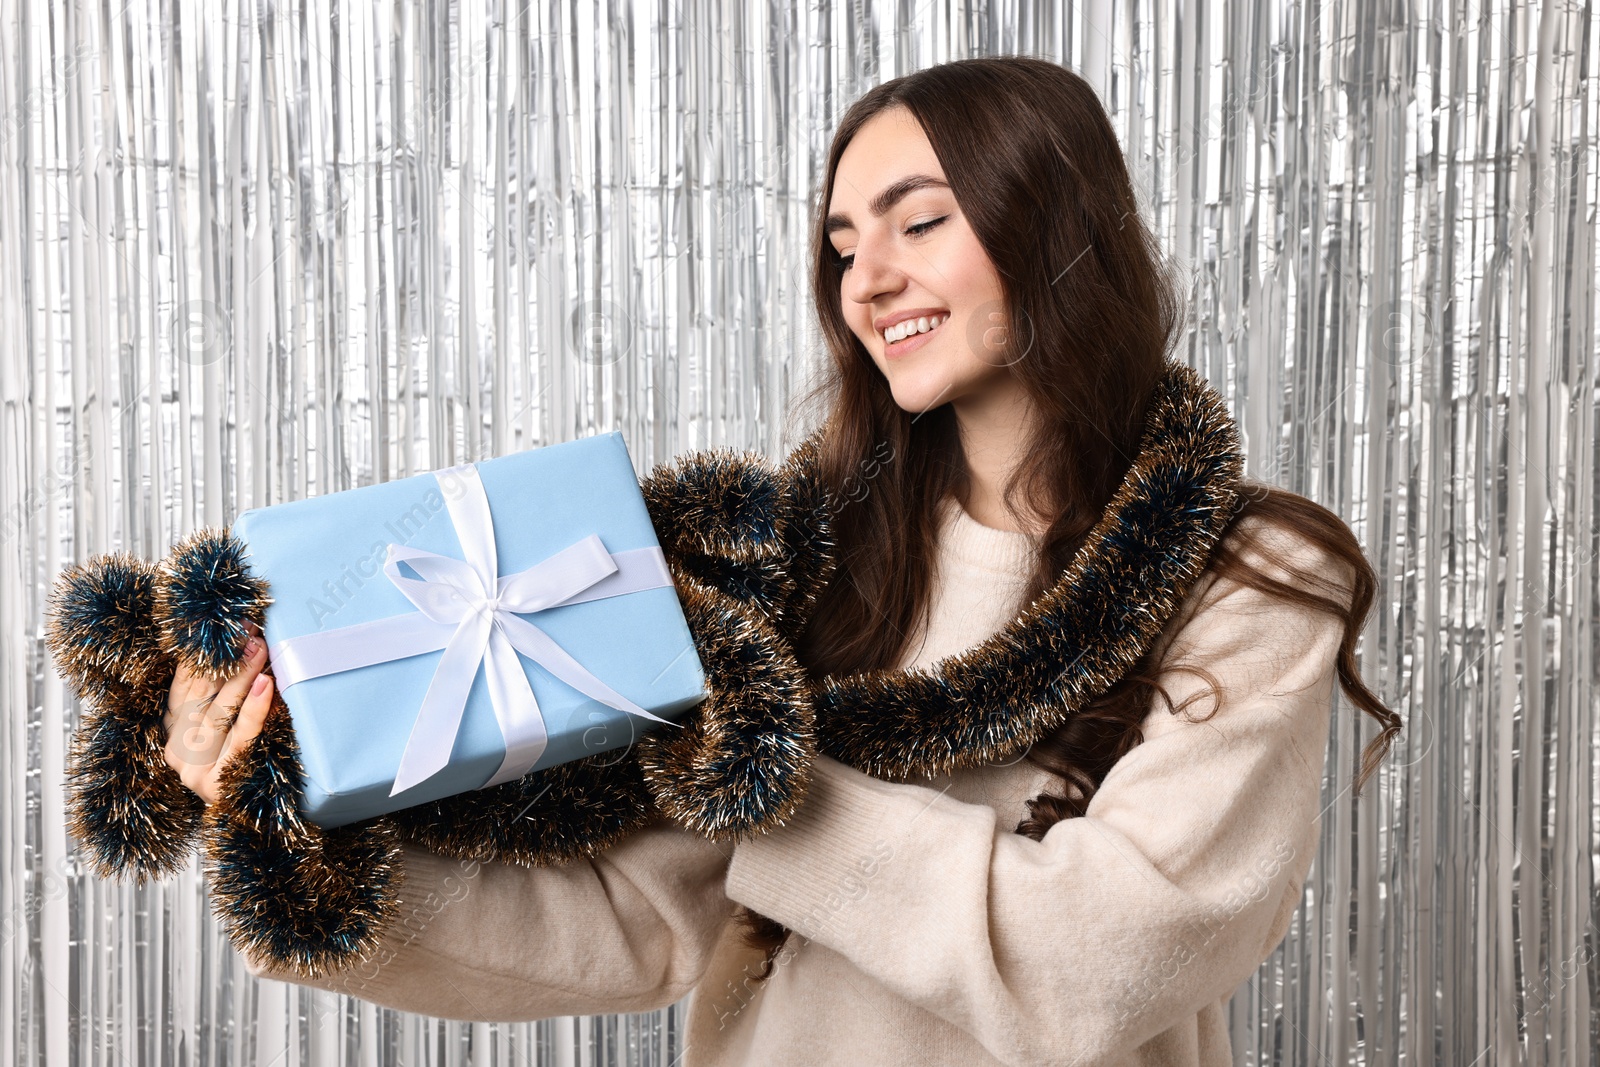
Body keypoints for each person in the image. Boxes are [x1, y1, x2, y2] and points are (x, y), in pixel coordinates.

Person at [162, 55, 1400, 1066]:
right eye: (843, 244)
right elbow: (638, 913)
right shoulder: (815, 555)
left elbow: (1095, 957)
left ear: (1055, 221)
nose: (871, 278)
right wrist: (289, 808)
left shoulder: (1244, 575)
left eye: (921, 219)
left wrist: (761, 783)